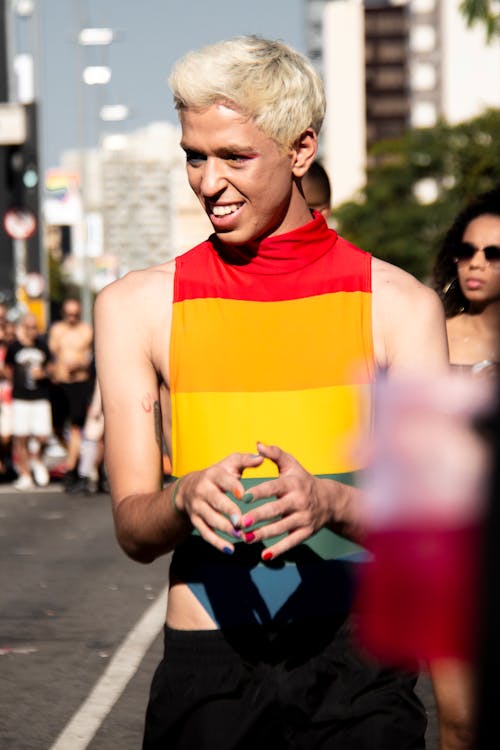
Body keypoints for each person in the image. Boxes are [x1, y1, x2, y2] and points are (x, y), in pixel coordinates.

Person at [95, 35, 449, 749]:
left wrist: (331, 503)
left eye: (234, 156)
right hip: (210, 664)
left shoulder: (399, 305)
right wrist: (184, 495)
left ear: (299, 149)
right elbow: (135, 530)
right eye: (195, 156)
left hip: (360, 665)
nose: (208, 182)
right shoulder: (135, 306)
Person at [429, 188, 500, 750]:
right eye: (467, 250)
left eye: (494, 253)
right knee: (459, 720)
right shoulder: (429, 334)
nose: (476, 263)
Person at [48, 296, 94, 490]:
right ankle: (74, 455)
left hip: (79, 382)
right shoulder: (57, 330)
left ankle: (71, 466)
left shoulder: (86, 331)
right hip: (60, 384)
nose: (72, 318)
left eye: (75, 314)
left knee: (76, 426)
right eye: (69, 314)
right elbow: (52, 353)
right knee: (57, 427)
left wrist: (79, 364)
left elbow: (91, 357)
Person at [5, 313, 53, 490]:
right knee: (21, 437)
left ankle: (36, 459)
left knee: (43, 435)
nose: (32, 331)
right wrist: (15, 382)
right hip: (21, 398)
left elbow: (51, 367)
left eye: (35, 327)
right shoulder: (15, 347)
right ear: (22, 327)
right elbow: (8, 368)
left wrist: (44, 374)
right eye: (29, 327)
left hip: (40, 396)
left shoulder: (42, 346)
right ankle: (25, 474)